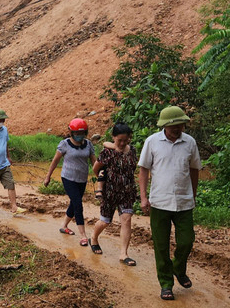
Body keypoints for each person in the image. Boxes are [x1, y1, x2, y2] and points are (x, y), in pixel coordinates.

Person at [138, 106, 202, 301]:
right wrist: (143, 197)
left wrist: (193, 194)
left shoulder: (189, 142)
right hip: (159, 202)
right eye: (173, 125)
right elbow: (143, 170)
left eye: (180, 124)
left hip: (184, 202)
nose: (177, 128)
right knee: (161, 245)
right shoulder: (152, 142)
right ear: (165, 125)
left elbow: (194, 170)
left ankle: (178, 268)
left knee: (186, 240)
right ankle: (166, 283)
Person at [90, 122, 137, 265]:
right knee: (105, 221)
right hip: (109, 193)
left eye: (125, 140)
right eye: (119, 140)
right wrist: (103, 181)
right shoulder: (107, 152)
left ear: (129, 138)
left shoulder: (132, 151)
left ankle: (124, 254)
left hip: (127, 192)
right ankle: (94, 237)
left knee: (126, 219)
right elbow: (95, 169)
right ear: (113, 137)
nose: (122, 143)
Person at [44, 118, 95, 246]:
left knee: (74, 203)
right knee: (78, 204)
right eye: (77, 133)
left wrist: (102, 176)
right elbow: (55, 161)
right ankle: (83, 235)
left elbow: (95, 163)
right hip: (68, 178)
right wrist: (48, 176)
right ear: (71, 133)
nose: (79, 136)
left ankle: (64, 225)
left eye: (82, 133)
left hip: (82, 179)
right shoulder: (64, 144)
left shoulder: (88, 144)